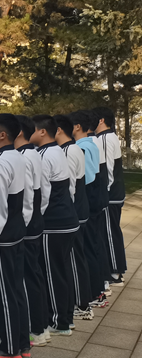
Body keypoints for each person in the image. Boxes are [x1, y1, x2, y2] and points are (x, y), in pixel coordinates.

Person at [0, 114, 28, 358]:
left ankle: (10, 348)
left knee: (3, 293)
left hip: (3, 235)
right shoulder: (17, 156)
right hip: (16, 230)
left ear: (3, 135)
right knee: (15, 289)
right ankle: (22, 344)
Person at [31, 115, 78, 336]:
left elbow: (44, 195)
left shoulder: (43, 155)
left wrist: (36, 219)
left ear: (42, 132)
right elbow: (71, 187)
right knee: (62, 270)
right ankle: (66, 318)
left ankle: (59, 321)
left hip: (54, 223)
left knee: (52, 273)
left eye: (32, 129)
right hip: (67, 219)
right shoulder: (58, 151)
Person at [70, 111, 110, 308]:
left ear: (76, 126)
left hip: (89, 199)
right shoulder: (90, 144)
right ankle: (98, 291)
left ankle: (94, 294)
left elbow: (84, 178)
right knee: (93, 246)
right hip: (96, 199)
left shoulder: (82, 147)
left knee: (88, 249)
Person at [55, 114, 93, 321]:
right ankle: (81, 301)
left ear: (58, 130)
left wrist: (65, 211)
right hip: (77, 209)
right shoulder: (71, 148)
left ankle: (83, 304)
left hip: (75, 211)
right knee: (76, 257)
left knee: (75, 258)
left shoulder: (70, 150)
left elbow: (68, 186)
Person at [15, 115, 45, 356]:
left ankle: (35, 327)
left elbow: (28, 196)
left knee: (27, 278)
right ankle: (39, 325)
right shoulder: (33, 153)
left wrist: (24, 225)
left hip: (27, 226)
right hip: (34, 221)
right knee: (33, 275)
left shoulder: (24, 157)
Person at [93, 107, 126, 286]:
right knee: (111, 230)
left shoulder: (105, 138)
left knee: (110, 232)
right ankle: (116, 269)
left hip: (110, 194)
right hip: (114, 193)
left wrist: (103, 193)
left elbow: (108, 169)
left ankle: (115, 271)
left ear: (101, 121)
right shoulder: (109, 137)